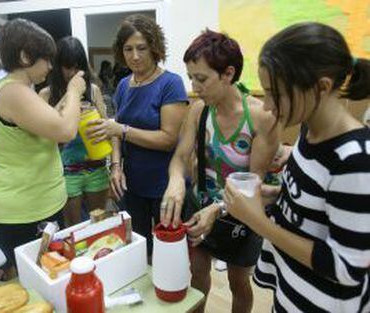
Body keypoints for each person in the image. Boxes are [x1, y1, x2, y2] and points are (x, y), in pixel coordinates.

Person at [224, 22, 370, 312]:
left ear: (322, 87)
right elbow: (313, 206)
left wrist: (259, 222)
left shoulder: (356, 162)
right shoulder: (309, 130)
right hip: (293, 291)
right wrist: (270, 194)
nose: (266, 106)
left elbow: (346, 269)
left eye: (274, 94)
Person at [160, 30, 279, 313]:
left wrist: (218, 209)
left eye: (201, 79)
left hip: (242, 212)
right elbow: (179, 157)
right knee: (198, 273)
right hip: (201, 203)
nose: (194, 87)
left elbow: (253, 186)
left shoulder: (260, 117)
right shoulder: (199, 111)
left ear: (228, 73)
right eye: (190, 78)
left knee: (239, 281)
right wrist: (176, 181)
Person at [0, 18, 85, 280]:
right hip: (20, 213)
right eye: (46, 59)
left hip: (31, 207)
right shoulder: (14, 91)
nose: (50, 67)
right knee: (36, 286)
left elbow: (46, 127)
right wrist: (73, 92)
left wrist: (61, 106)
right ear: (26, 56)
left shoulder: (14, 90)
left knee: (45, 279)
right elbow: (65, 130)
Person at [88, 14, 188, 254]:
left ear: (155, 48)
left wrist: (120, 130)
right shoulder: (124, 84)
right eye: (128, 49)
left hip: (165, 183)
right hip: (132, 183)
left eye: (141, 48)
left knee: (168, 250)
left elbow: (168, 139)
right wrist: (115, 166)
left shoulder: (170, 83)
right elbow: (116, 132)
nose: (135, 56)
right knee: (137, 246)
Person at [39, 36, 109, 226]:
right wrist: (70, 97)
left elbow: (107, 128)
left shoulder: (93, 90)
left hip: (96, 166)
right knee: (73, 228)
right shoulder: (46, 94)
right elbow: (42, 136)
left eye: (78, 67)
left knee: (99, 223)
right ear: (58, 65)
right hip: (66, 171)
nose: (73, 73)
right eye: (67, 67)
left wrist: (95, 115)